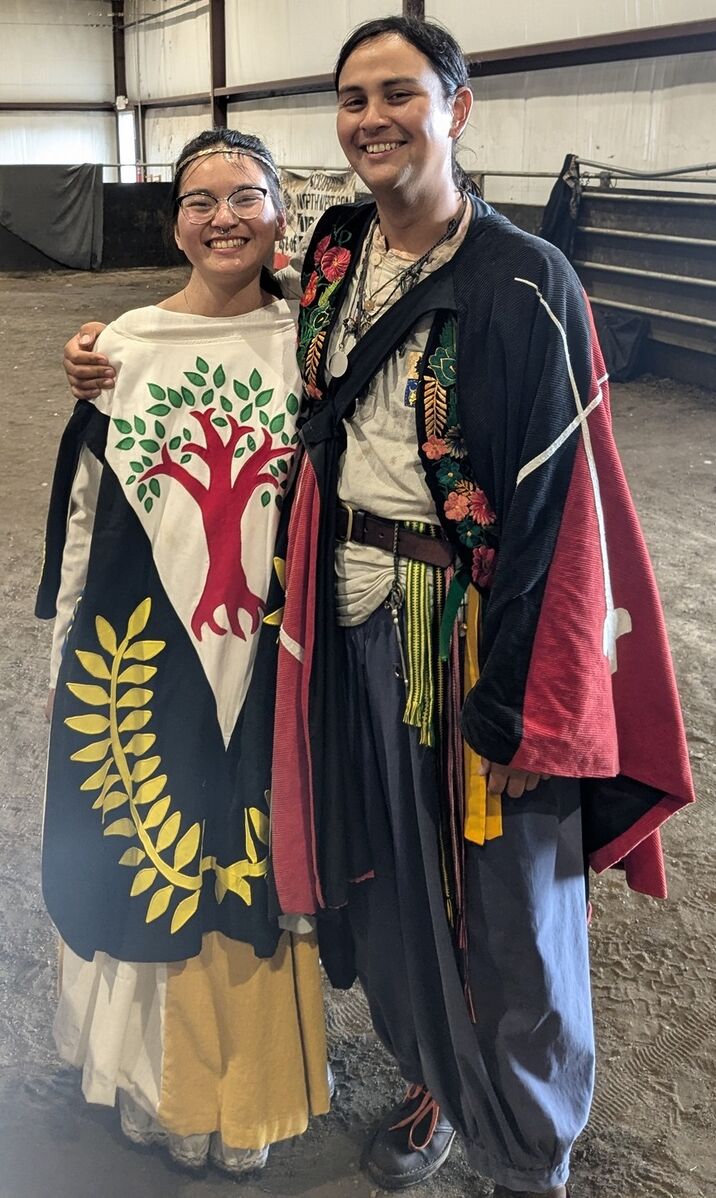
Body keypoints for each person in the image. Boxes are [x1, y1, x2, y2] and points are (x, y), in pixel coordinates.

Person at [63, 17, 694, 1198]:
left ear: (457, 108)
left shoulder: (524, 282)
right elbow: (234, 318)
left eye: (398, 93)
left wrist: (518, 703)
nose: (371, 119)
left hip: (466, 634)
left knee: (508, 908)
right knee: (389, 884)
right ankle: (432, 1084)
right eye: (352, 99)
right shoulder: (338, 255)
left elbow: (555, 515)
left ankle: (529, 1153)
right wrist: (112, 347)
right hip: (343, 625)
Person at [38, 127, 329, 1176]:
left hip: (275, 645)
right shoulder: (124, 345)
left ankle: (249, 1096)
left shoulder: (316, 345)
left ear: (281, 214)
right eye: (200, 200)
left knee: (257, 853)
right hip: (146, 645)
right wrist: (66, 645)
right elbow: (88, 513)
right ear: (174, 224)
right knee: (144, 842)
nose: (223, 218)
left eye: (246, 195)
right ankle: (146, 1080)